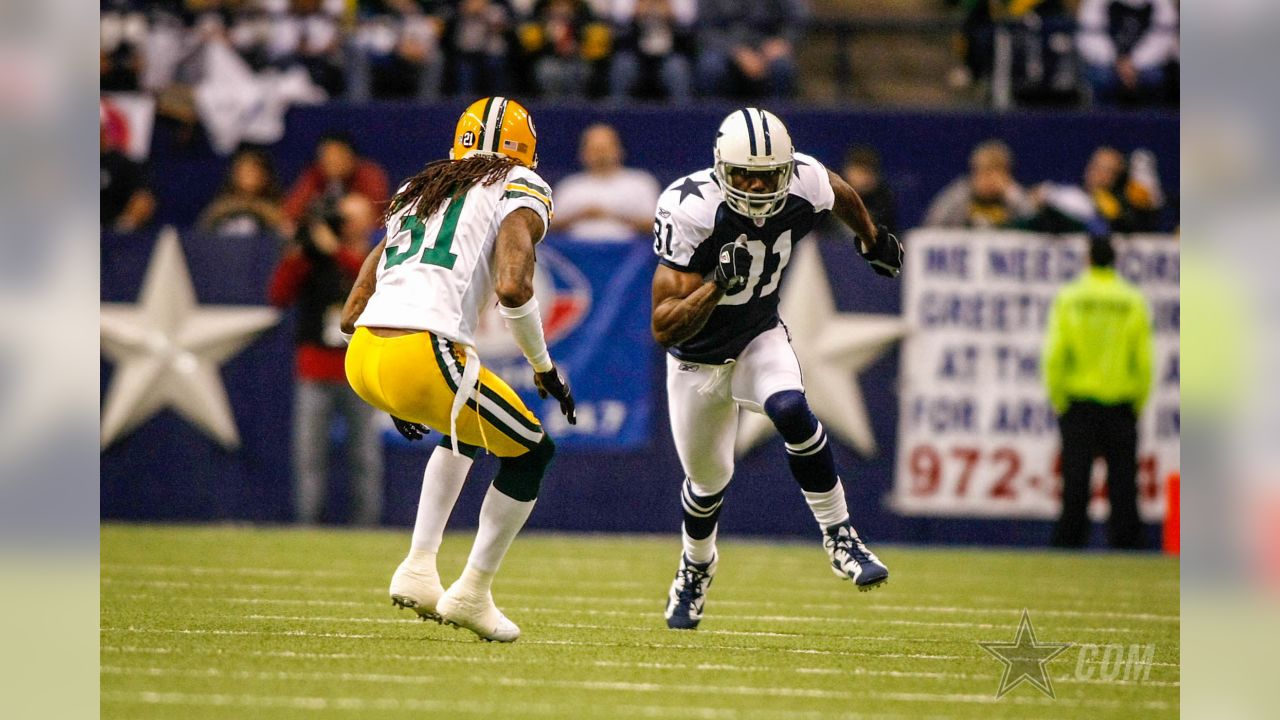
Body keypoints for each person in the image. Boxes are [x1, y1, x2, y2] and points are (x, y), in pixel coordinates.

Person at [650, 108, 901, 629]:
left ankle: (840, 537)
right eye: (745, 174)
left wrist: (871, 240)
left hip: (760, 334)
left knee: (791, 408)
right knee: (707, 482)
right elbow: (664, 327)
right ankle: (695, 570)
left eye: (769, 174)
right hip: (696, 360)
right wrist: (716, 284)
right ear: (722, 167)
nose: (758, 185)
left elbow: (842, 193)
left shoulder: (805, 179)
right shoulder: (691, 208)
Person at [341, 97, 577, 643]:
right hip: (422, 352)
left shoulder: (419, 187)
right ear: (528, 151)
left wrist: (394, 395)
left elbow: (357, 300)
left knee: (466, 429)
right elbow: (514, 287)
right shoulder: (520, 183)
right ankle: (472, 592)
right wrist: (543, 367)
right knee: (532, 451)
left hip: (365, 356)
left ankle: (419, 569)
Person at [269, 194, 386, 525]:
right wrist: (299, 250)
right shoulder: (313, 258)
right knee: (310, 456)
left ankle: (367, 527)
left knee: (365, 455)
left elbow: (373, 285)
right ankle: (308, 525)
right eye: (342, 218)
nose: (346, 224)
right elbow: (278, 294)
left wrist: (335, 250)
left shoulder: (377, 256)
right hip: (316, 368)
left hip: (360, 372)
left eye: (353, 217)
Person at [1042, 234, 1153, 549]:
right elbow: (1143, 358)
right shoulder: (1132, 299)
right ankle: (1128, 547)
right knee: (1123, 485)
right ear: (1114, 260)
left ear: (1088, 259)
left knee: (1076, 483)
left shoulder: (1071, 296)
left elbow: (1055, 354)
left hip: (1078, 403)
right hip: (1121, 404)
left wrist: (1059, 398)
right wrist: (1137, 400)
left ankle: (1069, 546)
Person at [551, 123, 660, 242]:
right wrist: (580, 215)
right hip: (576, 252)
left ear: (619, 150)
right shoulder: (569, 186)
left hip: (630, 253)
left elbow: (658, 225)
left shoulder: (641, 183)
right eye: (595, 150)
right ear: (583, 153)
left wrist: (613, 215)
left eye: (605, 149)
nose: (600, 155)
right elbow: (548, 225)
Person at [1077, 0, 1178, 106]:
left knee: (1154, 78)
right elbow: (1089, 37)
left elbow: (1164, 37)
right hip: (1108, 62)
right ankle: (1104, 120)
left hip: (1145, 63)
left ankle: (1150, 120)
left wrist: (1134, 62)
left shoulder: (1162, 3)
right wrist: (1118, 61)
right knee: (1103, 78)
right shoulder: (1094, 3)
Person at [283, 132, 391, 227]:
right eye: (327, 155)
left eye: (338, 155)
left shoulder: (368, 174)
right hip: (322, 238)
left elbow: (376, 215)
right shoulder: (315, 174)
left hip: (368, 241)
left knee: (355, 207)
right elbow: (291, 212)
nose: (332, 161)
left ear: (351, 156)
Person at [923, 139, 1033, 229]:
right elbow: (931, 226)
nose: (990, 181)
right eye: (985, 172)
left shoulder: (1014, 196)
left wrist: (1011, 193)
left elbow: (1032, 222)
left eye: (996, 173)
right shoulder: (959, 195)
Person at [198, 148, 288, 237]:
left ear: (264, 176)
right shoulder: (219, 210)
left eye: (253, 171)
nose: (247, 175)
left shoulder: (273, 212)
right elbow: (202, 239)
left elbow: (286, 239)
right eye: (243, 170)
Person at [100, 121, 156, 233]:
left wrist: (125, 225)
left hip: (111, 234)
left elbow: (144, 198)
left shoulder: (123, 164)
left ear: (103, 134)